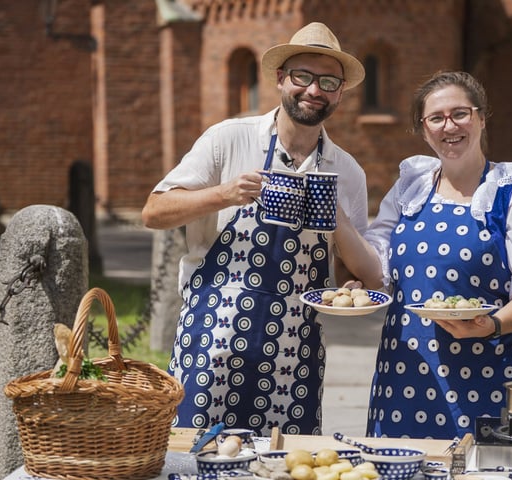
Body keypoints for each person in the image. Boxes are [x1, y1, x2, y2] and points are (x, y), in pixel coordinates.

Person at [141, 22, 368, 435]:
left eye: (328, 81)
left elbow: (352, 268)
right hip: (212, 335)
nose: (314, 90)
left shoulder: (347, 171)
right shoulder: (228, 139)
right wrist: (223, 194)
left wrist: (350, 284)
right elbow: (154, 211)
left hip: (295, 348)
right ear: (281, 79)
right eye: (303, 76)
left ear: (340, 92)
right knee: (195, 456)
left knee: (285, 465)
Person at [335, 71, 512, 439]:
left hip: (488, 371)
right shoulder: (410, 189)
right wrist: (335, 218)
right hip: (405, 371)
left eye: (460, 113)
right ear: (423, 129)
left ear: (480, 117)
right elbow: (377, 272)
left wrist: (490, 325)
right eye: (436, 118)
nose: (449, 126)